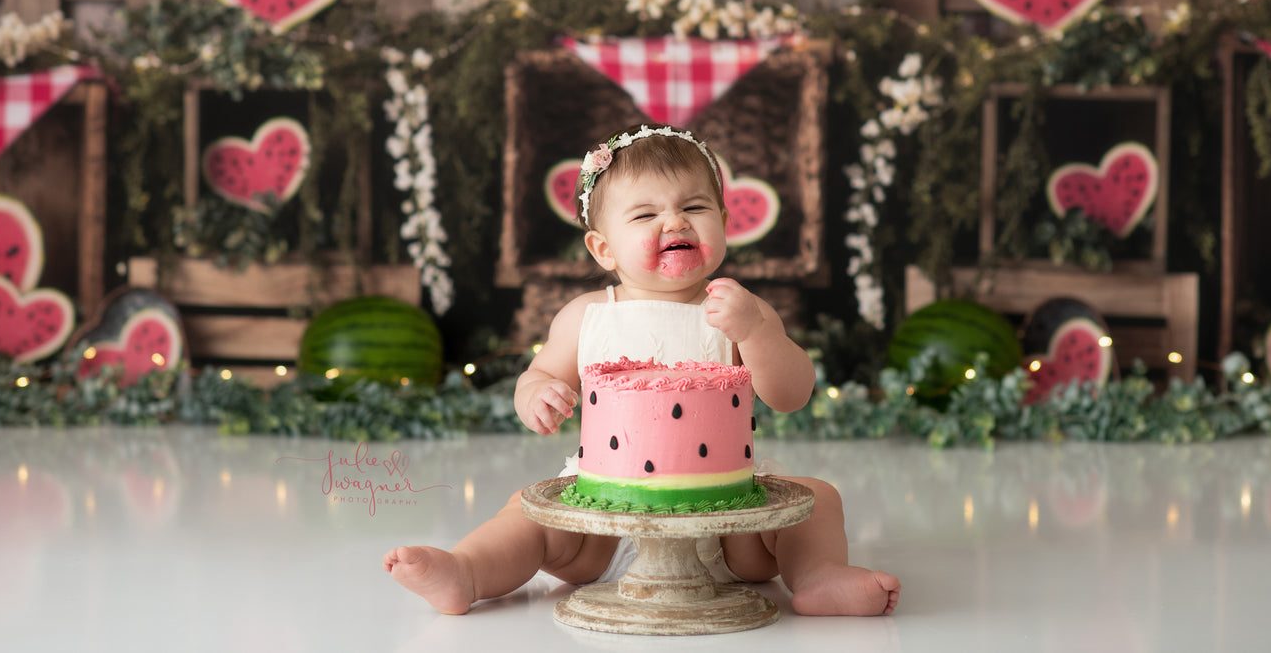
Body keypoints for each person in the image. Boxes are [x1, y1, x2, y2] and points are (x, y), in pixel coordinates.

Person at [384, 124, 900, 616]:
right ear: (603, 248)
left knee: (818, 499)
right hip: (603, 522)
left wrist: (757, 334)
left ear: (723, 220)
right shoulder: (585, 315)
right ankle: (467, 572)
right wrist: (536, 395)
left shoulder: (739, 309)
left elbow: (792, 393)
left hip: (727, 522)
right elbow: (538, 377)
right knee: (526, 513)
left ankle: (819, 577)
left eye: (694, 207)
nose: (674, 223)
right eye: (644, 214)